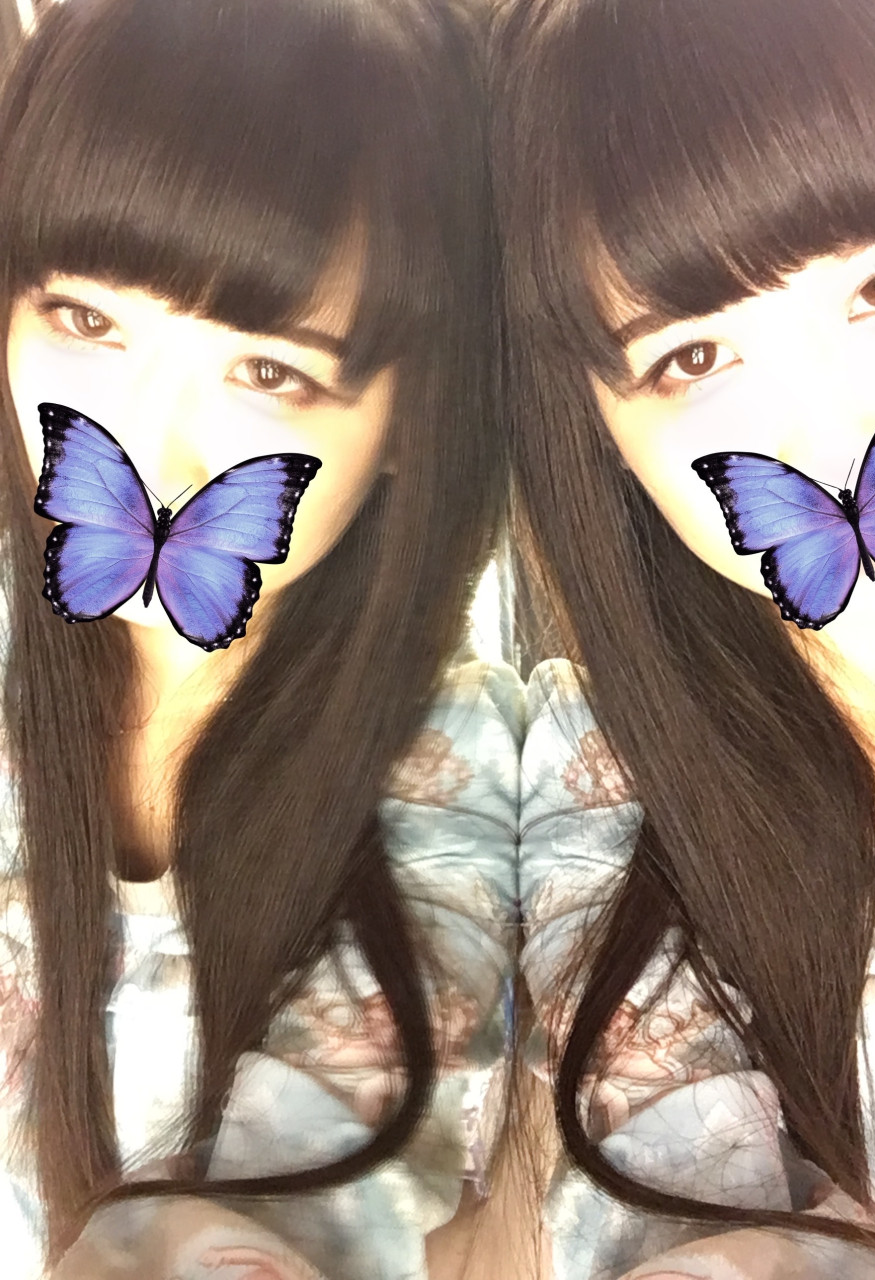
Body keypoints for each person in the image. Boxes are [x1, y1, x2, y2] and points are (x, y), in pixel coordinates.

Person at [0, 0, 523, 1276]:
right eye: (85, 320)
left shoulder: (469, 768)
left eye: (269, 372)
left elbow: (321, 1175)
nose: (151, 446)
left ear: (408, 419)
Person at [489, 0, 875, 1277]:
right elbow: (670, 1185)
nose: (827, 425)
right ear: (602, 431)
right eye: (695, 353)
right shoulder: (592, 781)